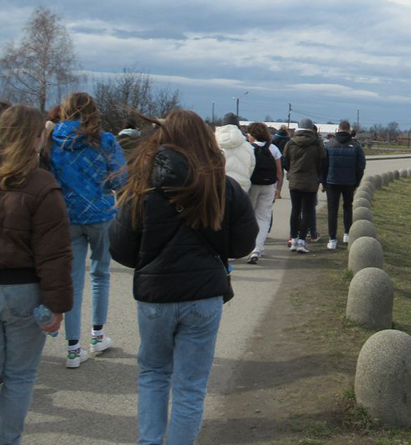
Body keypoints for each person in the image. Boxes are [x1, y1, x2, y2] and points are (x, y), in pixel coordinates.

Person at [109, 109, 257, 445]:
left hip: (155, 297)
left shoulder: (142, 185)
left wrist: (150, 261)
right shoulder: (224, 187)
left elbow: (120, 248)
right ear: (205, 139)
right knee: (190, 386)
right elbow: (242, 245)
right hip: (204, 297)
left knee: (153, 374)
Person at [0, 105, 73, 444]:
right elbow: (53, 253)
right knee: (20, 377)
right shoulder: (42, 185)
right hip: (23, 291)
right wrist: (58, 304)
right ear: (36, 138)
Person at [48, 92, 126, 368]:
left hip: (66, 216)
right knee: (100, 274)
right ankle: (97, 335)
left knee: (72, 280)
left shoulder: (52, 140)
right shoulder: (105, 140)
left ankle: (73, 348)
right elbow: (121, 179)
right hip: (100, 213)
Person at [282, 118, 327, 254]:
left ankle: (293, 239)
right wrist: (317, 174)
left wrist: (292, 171)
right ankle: (302, 241)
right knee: (307, 211)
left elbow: (285, 161)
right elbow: (323, 162)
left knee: (295, 210)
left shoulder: (290, 143)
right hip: (310, 181)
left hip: (295, 180)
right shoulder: (317, 144)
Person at [323, 120, 365, 250]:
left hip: (332, 181)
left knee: (332, 210)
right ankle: (347, 233)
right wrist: (356, 181)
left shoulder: (329, 145)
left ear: (338, 129)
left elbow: (323, 165)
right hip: (349, 181)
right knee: (347, 207)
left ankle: (332, 239)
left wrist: (323, 182)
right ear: (349, 130)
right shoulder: (356, 146)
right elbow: (361, 166)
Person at [245, 122, 283, 263]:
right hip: (268, 185)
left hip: (252, 185)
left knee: (249, 216)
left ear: (253, 135)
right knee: (263, 217)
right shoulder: (273, 148)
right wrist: (278, 188)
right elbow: (279, 171)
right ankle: (257, 248)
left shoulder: (248, 148)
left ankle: (247, 245)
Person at [215, 112, 255, 193]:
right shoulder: (247, 146)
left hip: (218, 185)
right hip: (241, 187)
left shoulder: (213, 143)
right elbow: (251, 166)